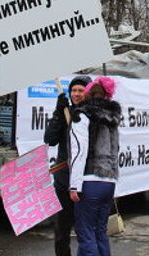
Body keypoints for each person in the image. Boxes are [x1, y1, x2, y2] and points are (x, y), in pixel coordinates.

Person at [69, 76, 120, 256]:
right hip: (109, 181)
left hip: (89, 181)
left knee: (86, 233)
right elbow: (116, 150)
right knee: (100, 232)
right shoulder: (112, 118)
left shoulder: (82, 115)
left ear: (88, 94)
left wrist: (74, 184)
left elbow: (79, 152)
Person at [44, 75, 91, 256]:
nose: (76, 94)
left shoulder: (92, 115)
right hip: (64, 180)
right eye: (74, 90)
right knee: (61, 231)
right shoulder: (64, 113)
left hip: (85, 181)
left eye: (81, 90)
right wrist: (58, 112)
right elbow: (50, 139)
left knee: (85, 230)